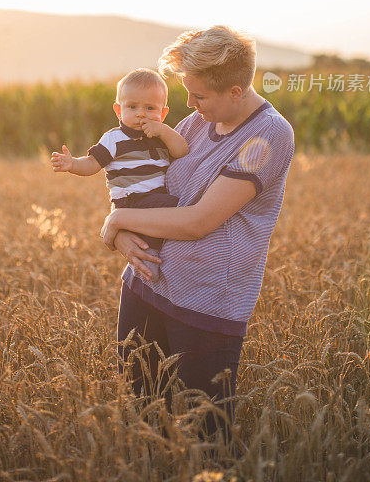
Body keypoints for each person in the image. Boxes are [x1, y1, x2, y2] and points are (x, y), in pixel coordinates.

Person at [99, 25, 295, 456]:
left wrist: (115, 221)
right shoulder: (201, 120)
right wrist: (124, 231)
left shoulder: (267, 136)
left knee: (206, 439)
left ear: (237, 91)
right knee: (143, 423)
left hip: (206, 305)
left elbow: (199, 222)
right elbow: (140, 181)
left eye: (199, 95)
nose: (188, 105)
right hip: (145, 285)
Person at [50, 68, 189, 280]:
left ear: (162, 113)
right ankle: (150, 266)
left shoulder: (161, 136)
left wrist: (164, 130)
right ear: (118, 110)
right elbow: (92, 163)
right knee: (179, 208)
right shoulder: (114, 139)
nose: (141, 113)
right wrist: (72, 164)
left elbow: (182, 151)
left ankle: (159, 260)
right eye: (132, 107)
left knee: (165, 220)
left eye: (150, 108)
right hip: (131, 200)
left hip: (154, 198)